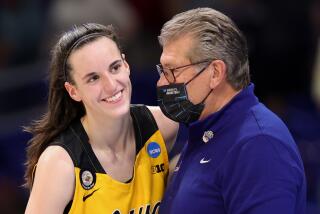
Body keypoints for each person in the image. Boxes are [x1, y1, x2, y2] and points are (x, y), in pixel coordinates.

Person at [156, 8, 306, 214]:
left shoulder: (258, 144)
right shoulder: (209, 131)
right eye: (162, 71)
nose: (162, 82)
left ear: (215, 73)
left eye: (172, 71)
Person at [24, 23, 178, 213]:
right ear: (73, 91)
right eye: (93, 78)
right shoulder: (59, 163)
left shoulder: (164, 125)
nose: (111, 85)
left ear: (126, 65)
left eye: (114, 68)